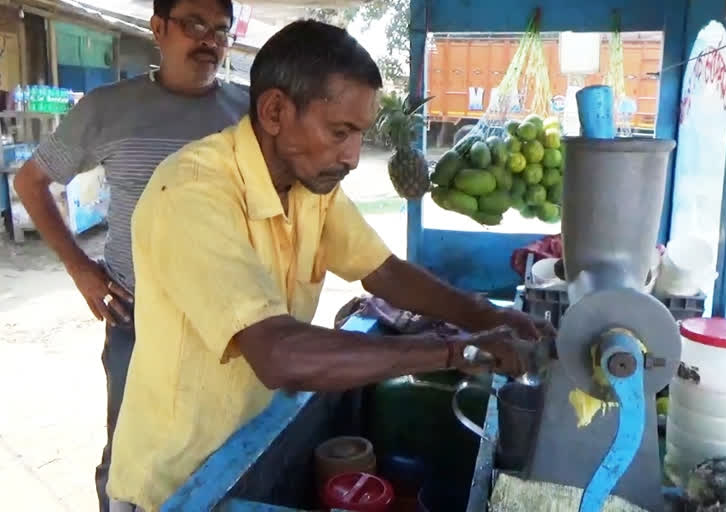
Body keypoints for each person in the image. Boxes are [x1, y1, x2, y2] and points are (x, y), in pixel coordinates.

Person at [108, 20, 553, 512]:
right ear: (275, 111)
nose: (353, 157)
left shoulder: (310, 186)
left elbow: (381, 271)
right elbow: (278, 354)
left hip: (250, 443)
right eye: (340, 132)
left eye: (360, 134)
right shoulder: (191, 193)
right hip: (176, 483)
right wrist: (455, 352)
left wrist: (491, 317)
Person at [12, 0, 249, 510]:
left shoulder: (249, 114)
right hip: (136, 317)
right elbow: (31, 182)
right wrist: (81, 270)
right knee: (127, 454)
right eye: (194, 25)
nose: (209, 40)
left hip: (230, 322)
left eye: (220, 30)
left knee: (224, 449)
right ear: (159, 29)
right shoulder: (107, 108)